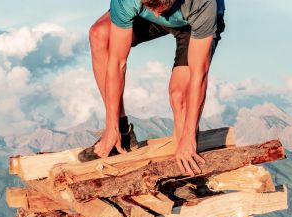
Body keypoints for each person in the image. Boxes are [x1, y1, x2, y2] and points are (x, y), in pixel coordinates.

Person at [83, 0, 225, 175]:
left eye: (160, 8)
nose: (157, 14)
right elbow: (117, 62)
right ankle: (121, 132)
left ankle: (188, 174)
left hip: (192, 26)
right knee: (99, 35)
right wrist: (111, 126)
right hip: (149, 13)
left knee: (179, 96)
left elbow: (199, 75)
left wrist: (188, 137)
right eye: (152, 7)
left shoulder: (201, 3)